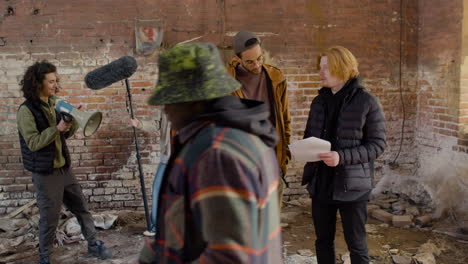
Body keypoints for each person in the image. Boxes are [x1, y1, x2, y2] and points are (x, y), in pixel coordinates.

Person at [138, 42, 283, 263]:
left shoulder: (217, 153)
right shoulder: (236, 135)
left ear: (193, 100)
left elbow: (229, 257)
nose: (166, 109)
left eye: (171, 100)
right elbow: (186, 224)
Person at [17, 61, 112, 264]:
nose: (55, 84)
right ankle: (45, 258)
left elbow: (64, 135)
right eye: (51, 81)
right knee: (50, 220)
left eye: (56, 80)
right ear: (37, 83)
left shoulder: (55, 102)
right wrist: (57, 128)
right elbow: (33, 143)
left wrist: (73, 120)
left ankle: (94, 245)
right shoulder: (26, 111)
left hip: (64, 169)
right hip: (45, 173)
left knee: (81, 208)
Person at [302, 46, 386, 264]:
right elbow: (309, 137)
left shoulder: (367, 102)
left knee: (357, 246)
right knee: (322, 242)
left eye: (327, 67)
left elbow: (377, 145)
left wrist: (342, 157)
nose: (321, 72)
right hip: (321, 184)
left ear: (343, 67)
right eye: (320, 67)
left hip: (353, 188)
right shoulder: (318, 101)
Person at [226, 31, 291, 207]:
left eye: (260, 58)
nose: (257, 65)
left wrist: (283, 157)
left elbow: (285, 120)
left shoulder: (276, 78)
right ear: (238, 59)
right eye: (250, 61)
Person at [130, 110, 171, 237]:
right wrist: (140, 124)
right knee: (157, 189)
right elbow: (157, 123)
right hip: (168, 155)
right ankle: (155, 227)